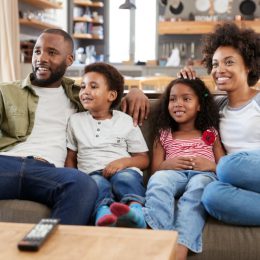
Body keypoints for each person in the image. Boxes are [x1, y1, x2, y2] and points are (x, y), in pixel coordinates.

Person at [0, 28, 149, 225]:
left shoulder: (79, 95)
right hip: (6, 164)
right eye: (37, 51)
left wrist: (136, 91)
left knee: (84, 184)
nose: (41, 58)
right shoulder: (6, 92)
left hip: (48, 171)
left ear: (69, 60)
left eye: (51, 52)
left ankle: (47, 242)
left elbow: (106, 101)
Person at [178, 22, 260, 226]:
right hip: (241, 180)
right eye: (215, 64)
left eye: (229, 62)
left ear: (249, 66)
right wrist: (188, 83)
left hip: (241, 168)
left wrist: (219, 166)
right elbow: (187, 104)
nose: (219, 69)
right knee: (211, 194)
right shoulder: (216, 107)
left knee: (226, 167)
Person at [142, 77, 225, 260]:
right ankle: (160, 238)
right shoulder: (164, 134)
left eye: (186, 99)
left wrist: (210, 165)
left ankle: (182, 245)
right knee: (159, 181)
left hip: (203, 174)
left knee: (199, 188)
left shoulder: (209, 133)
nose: (178, 104)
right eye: (173, 99)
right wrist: (167, 164)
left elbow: (223, 167)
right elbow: (155, 172)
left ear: (199, 105)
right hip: (172, 174)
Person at [65, 62, 149, 228]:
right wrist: (73, 179)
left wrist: (122, 163)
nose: (85, 91)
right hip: (90, 173)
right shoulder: (75, 121)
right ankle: (103, 215)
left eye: (93, 86)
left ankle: (136, 212)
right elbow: (71, 158)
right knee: (96, 184)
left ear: (111, 95)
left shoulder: (125, 121)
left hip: (122, 169)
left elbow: (143, 159)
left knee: (125, 179)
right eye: (83, 86)